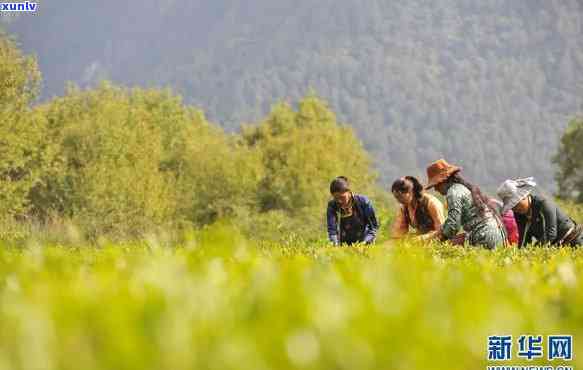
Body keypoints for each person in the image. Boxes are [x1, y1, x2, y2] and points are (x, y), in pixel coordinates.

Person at [425, 159, 507, 249]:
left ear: (444, 181)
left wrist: (436, 241)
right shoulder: (462, 188)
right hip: (496, 233)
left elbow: (453, 225)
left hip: (483, 235)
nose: (436, 189)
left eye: (436, 185)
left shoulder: (453, 193)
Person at [497, 177, 583, 248]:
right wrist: (521, 254)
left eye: (517, 204)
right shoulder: (519, 215)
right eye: (512, 207)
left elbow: (551, 233)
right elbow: (523, 238)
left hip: (573, 240)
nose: (515, 208)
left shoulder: (543, 204)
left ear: (524, 196)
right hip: (556, 247)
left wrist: (534, 250)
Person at [327, 176, 379, 245]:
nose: (339, 201)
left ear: (349, 191)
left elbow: (373, 227)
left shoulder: (363, 202)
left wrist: (365, 242)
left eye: (342, 197)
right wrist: (335, 243)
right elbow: (332, 230)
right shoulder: (332, 206)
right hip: (343, 245)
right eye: (336, 198)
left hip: (364, 243)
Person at [390, 176, 446, 240]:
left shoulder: (431, 203)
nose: (398, 200)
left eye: (400, 197)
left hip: (435, 240)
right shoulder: (404, 208)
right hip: (419, 240)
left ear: (410, 192)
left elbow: (442, 231)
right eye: (396, 198)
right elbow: (399, 231)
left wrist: (423, 238)